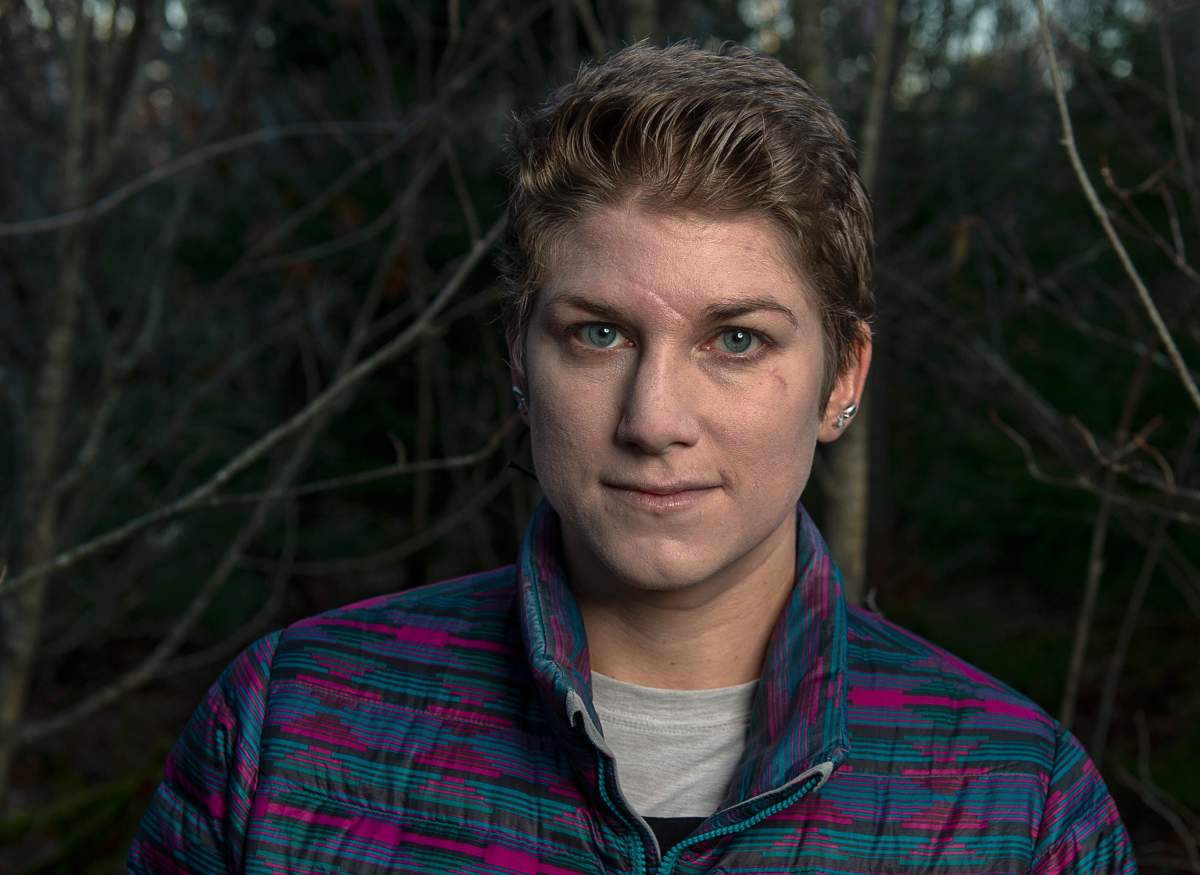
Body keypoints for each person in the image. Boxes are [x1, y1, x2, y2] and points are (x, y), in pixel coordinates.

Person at [129, 41, 1136, 874]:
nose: (654, 418)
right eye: (598, 334)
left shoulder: (1018, 805)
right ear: (517, 359)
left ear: (842, 377)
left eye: (735, 339)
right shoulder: (292, 732)